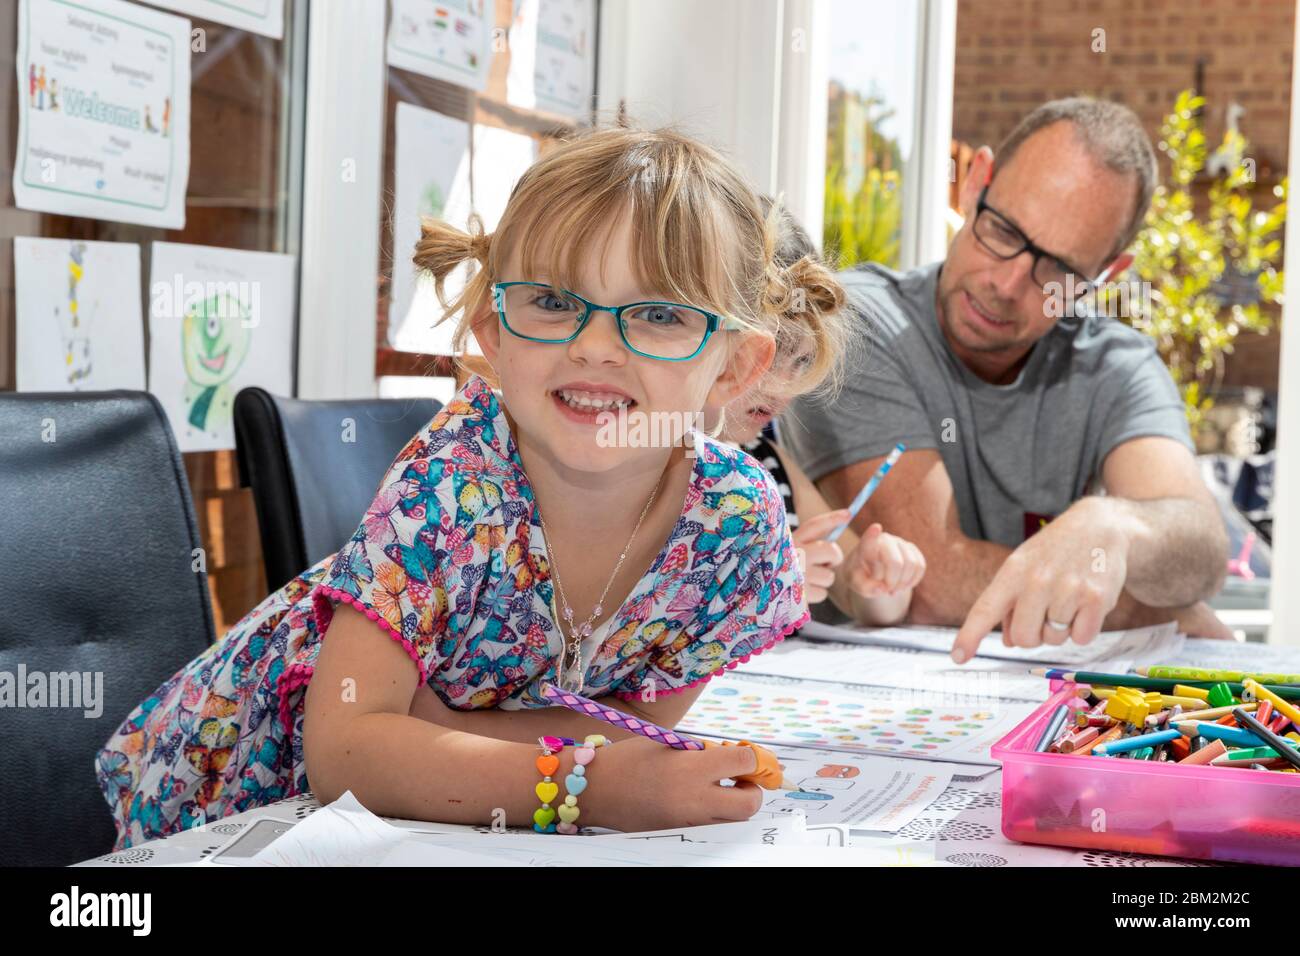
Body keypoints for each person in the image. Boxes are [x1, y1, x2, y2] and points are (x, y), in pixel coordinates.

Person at [96, 125, 848, 847]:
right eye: (552, 302)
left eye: (656, 314)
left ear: (738, 364)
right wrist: (592, 786)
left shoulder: (735, 523)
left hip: (451, 830)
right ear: (494, 329)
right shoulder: (454, 480)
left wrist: (443, 732)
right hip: (240, 811)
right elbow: (348, 755)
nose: (594, 347)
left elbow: (634, 729)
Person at [780, 97, 1231, 663]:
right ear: (975, 185)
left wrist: (1115, 523)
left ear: (1108, 274)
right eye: (1003, 229)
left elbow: (1204, 549)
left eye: (1059, 270)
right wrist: (1160, 612)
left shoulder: (1115, 364)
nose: (1010, 283)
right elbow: (931, 583)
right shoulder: (861, 326)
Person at [719, 200, 926, 623]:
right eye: (768, 356)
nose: (782, 386)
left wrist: (877, 574)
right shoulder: (661, 460)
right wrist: (775, 576)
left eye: (801, 362)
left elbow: (860, 594)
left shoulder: (769, 463)